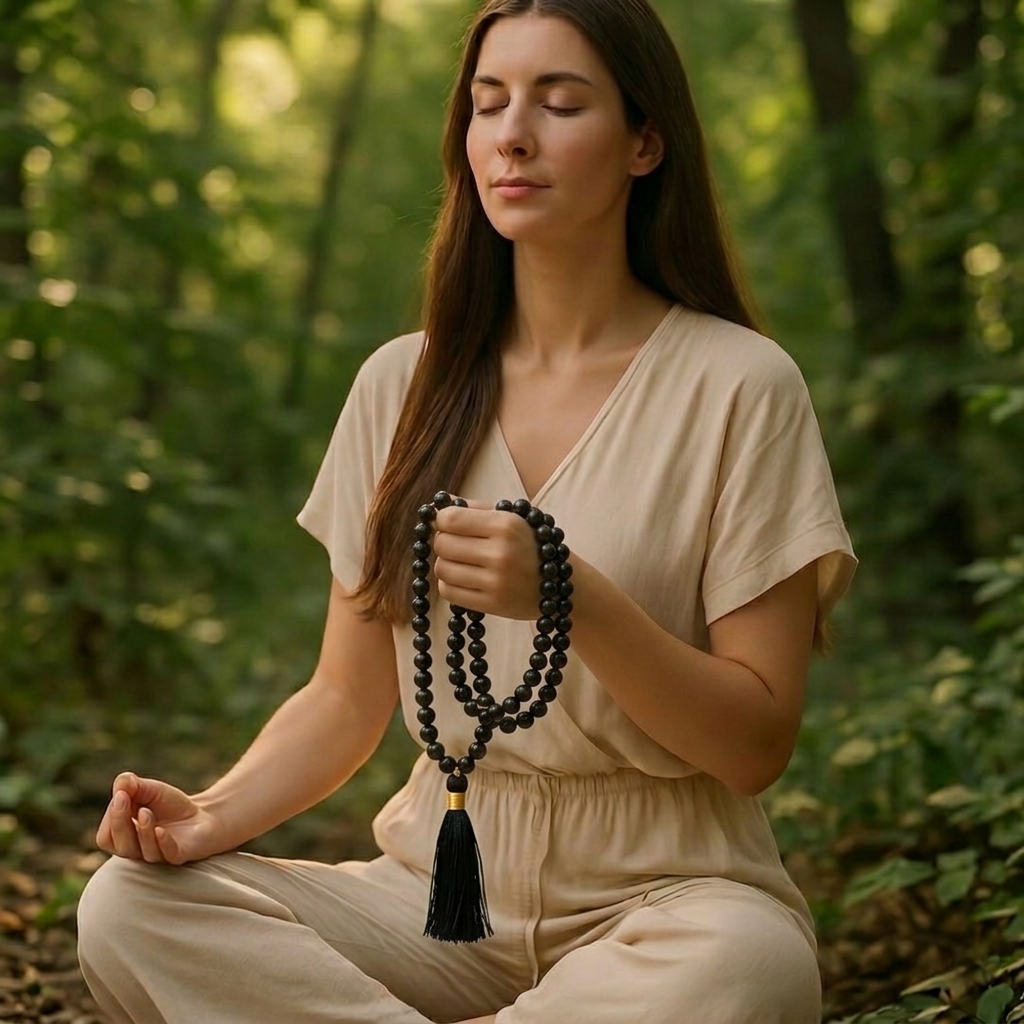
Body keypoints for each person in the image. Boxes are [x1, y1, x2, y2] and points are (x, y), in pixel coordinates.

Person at [76, 0, 857, 1021]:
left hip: (670, 897)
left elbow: (755, 743)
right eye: (489, 104)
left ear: (644, 142)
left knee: (747, 966)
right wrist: (205, 816)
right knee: (129, 906)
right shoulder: (401, 386)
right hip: (436, 900)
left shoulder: (740, 385)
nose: (512, 135)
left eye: (559, 102)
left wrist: (572, 596)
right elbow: (344, 701)